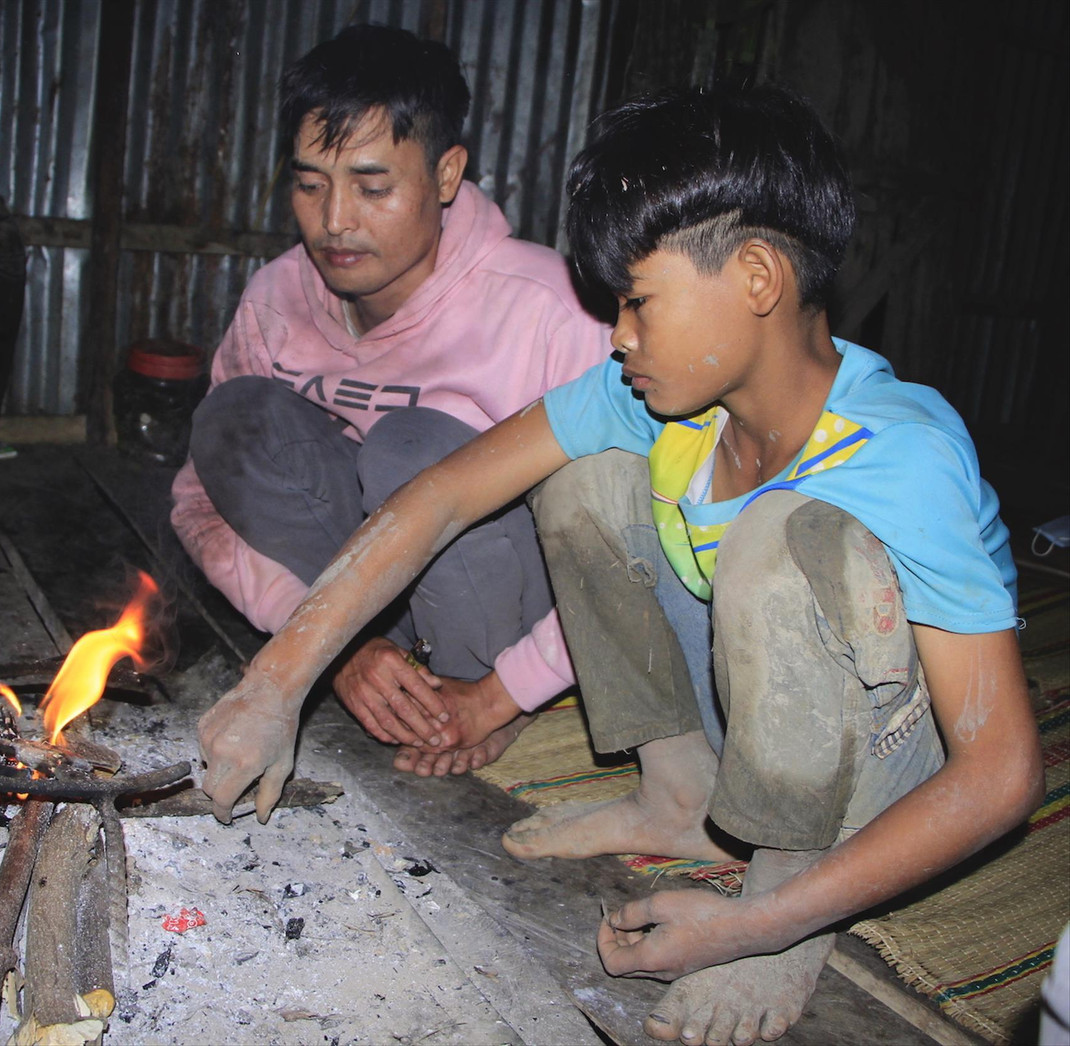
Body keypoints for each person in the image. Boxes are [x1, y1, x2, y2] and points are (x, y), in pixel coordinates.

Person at [198, 83, 1045, 1045]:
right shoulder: (655, 397)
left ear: (759, 279)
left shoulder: (904, 455)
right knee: (588, 477)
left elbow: (1002, 773)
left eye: (639, 302)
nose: (620, 336)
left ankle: (786, 883)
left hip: (884, 760)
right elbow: (438, 497)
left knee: (776, 536)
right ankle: (680, 794)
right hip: (758, 709)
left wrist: (763, 921)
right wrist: (278, 681)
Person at [171, 24, 610, 776]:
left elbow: (629, 552)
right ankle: (381, 671)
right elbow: (198, 504)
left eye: (373, 187)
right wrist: (325, 646)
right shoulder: (278, 297)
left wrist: (509, 691)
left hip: (504, 626)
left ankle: (476, 702)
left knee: (413, 448)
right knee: (237, 421)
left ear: (446, 175)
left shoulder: (549, 310)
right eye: (310, 184)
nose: (335, 219)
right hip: (354, 613)